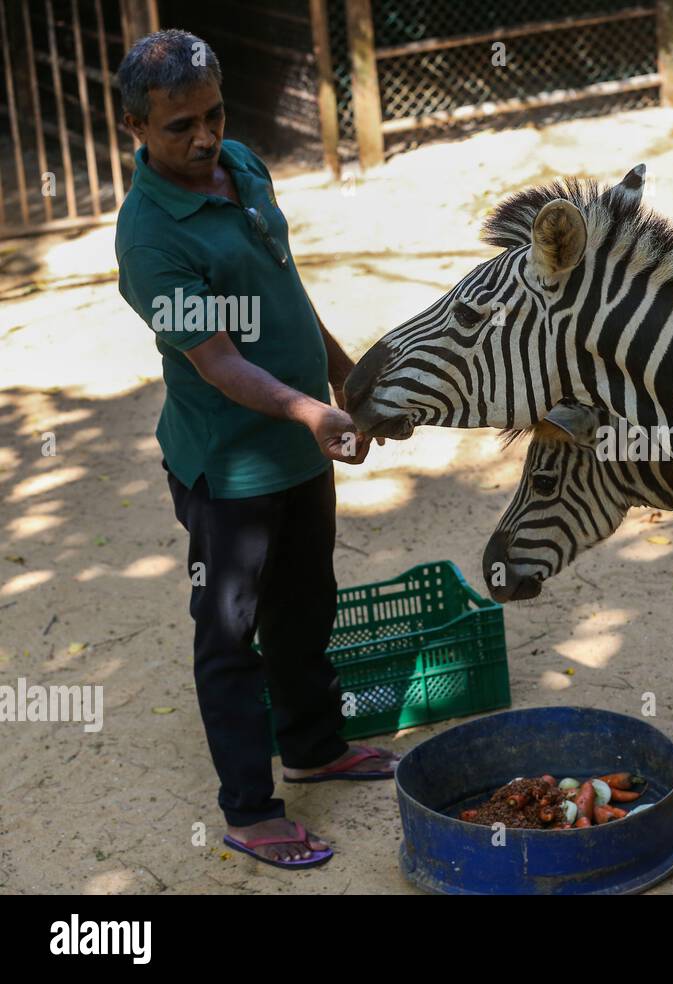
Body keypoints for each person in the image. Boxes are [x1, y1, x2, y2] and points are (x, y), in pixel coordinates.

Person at [114, 29, 397, 869]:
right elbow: (220, 362)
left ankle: (314, 745)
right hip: (228, 467)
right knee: (230, 634)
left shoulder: (242, 165)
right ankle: (249, 809)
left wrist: (344, 376)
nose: (204, 138)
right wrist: (308, 411)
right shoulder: (148, 242)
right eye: (178, 128)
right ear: (135, 128)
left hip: (299, 443)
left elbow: (283, 287)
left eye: (213, 115)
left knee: (306, 602)